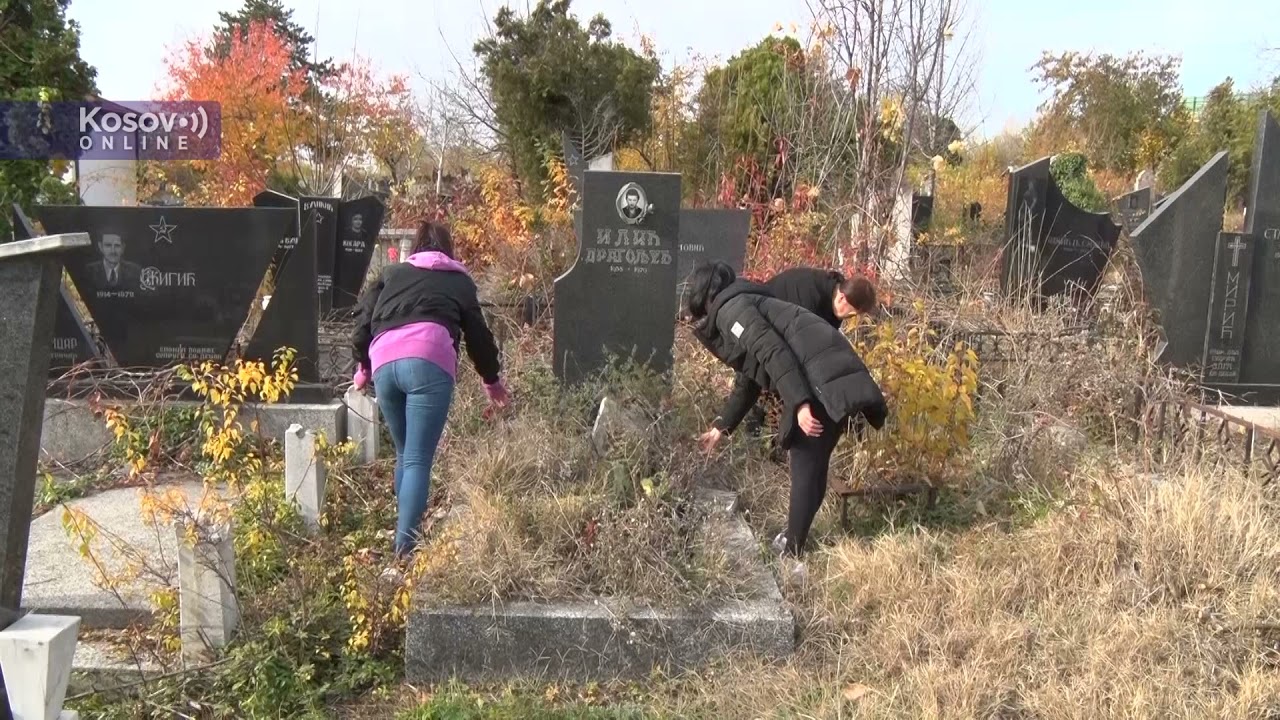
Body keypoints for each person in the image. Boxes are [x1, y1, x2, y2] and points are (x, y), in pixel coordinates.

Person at [687, 261, 888, 559]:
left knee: (807, 462)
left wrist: (800, 403)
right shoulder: (747, 301)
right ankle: (794, 542)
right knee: (814, 463)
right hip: (827, 378)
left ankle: (792, 554)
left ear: (703, 298)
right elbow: (752, 378)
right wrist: (722, 427)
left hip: (819, 383)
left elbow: (773, 352)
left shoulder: (731, 311)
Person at [351, 220, 510, 559]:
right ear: (448, 249)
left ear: (415, 248)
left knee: (404, 453)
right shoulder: (458, 282)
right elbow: (479, 338)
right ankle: (405, 550)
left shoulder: (391, 274)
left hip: (384, 362)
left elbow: (364, 320)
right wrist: (492, 381)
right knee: (419, 459)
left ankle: (403, 527)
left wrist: (363, 369)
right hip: (427, 360)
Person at [729, 267, 879, 437]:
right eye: (852, 313)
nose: (852, 318)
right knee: (759, 386)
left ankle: (773, 439)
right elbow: (798, 357)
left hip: (779, 338)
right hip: (759, 332)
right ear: (842, 298)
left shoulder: (832, 300)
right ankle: (757, 437)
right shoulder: (810, 298)